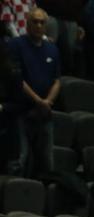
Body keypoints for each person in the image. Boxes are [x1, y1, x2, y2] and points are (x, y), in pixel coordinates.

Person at [5, 6, 59, 177]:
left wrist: (47, 101)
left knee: (47, 161)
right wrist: (39, 100)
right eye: (35, 22)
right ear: (27, 24)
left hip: (44, 113)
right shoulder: (15, 45)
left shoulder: (52, 49)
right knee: (20, 158)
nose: (38, 25)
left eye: (42, 22)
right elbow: (16, 79)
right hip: (21, 110)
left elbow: (57, 80)